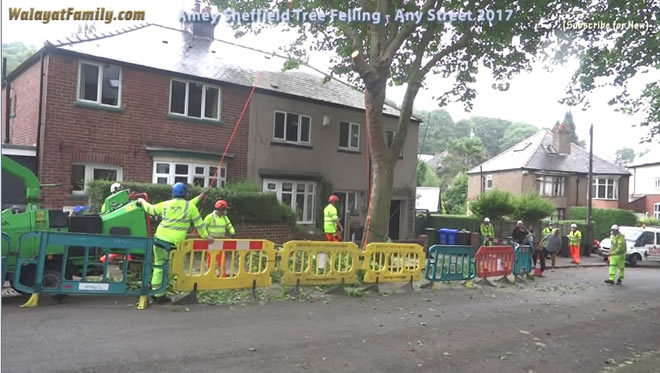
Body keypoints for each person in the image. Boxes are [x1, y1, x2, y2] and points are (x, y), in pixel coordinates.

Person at [137, 182, 212, 303]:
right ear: (186, 194)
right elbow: (199, 223)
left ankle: (157, 293)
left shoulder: (166, 204)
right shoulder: (190, 207)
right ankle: (170, 287)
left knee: (159, 265)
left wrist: (141, 201)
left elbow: (151, 209)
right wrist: (206, 237)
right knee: (171, 267)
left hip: (159, 240)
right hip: (174, 245)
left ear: (173, 193)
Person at [204, 200, 235, 276]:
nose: (226, 211)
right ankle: (210, 275)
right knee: (210, 259)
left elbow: (229, 225)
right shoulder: (209, 217)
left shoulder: (225, 218)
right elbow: (202, 228)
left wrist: (232, 232)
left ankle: (222, 275)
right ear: (220, 209)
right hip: (211, 242)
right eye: (225, 209)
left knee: (222, 259)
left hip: (221, 242)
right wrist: (206, 236)